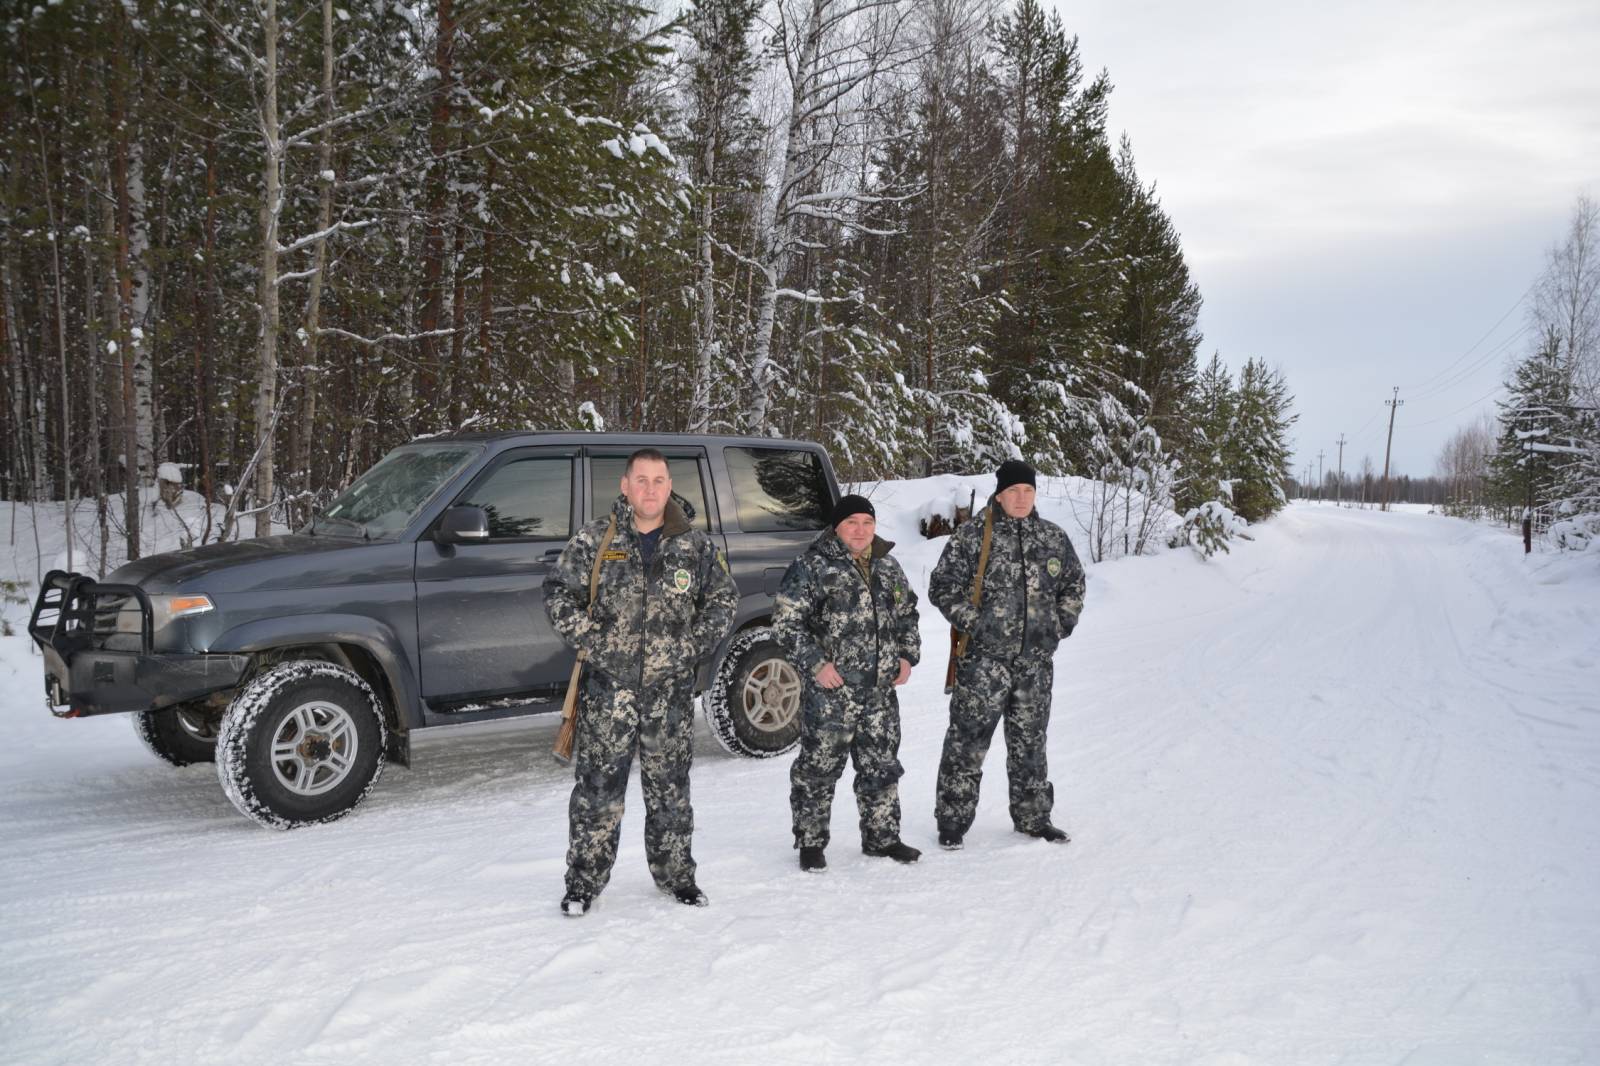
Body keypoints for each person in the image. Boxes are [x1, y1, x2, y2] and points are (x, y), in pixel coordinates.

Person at [544, 448, 738, 915]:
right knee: (596, 793)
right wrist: (593, 639)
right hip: (608, 692)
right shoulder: (595, 540)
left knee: (671, 789)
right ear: (625, 486)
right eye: (642, 480)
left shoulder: (695, 546)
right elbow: (557, 594)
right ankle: (583, 883)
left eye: (659, 480)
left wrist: (690, 647)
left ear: (669, 487)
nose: (650, 489)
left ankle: (677, 877)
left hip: (669, 696)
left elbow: (723, 601)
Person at [929, 460, 1085, 850]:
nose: (1020, 498)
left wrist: (1060, 624)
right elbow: (942, 586)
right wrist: (975, 623)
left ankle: (1034, 818)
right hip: (984, 664)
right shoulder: (973, 536)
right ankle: (952, 821)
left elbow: (1074, 584)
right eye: (1013, 491)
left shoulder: (1052, 538)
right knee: (967, 743)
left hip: (1035, 665)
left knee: (1031, 743)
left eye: (1027, 491)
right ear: (1000, 495)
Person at [774, 494, 923, 872]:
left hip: (880, 692)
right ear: (837, 527)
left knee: (882, 765)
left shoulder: (888, 567)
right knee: (818, 768)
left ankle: (882, 837)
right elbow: (786, 623)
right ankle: (810, 843)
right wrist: (816, 664)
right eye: (852, 523)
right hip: (831, 693)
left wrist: (907, 656)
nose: (860, 530)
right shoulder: (812, 567)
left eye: (867, 522)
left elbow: (907, 613)